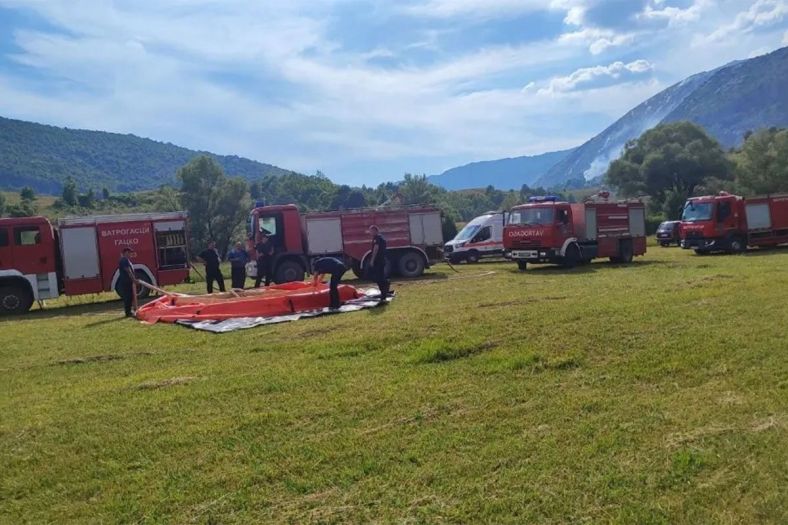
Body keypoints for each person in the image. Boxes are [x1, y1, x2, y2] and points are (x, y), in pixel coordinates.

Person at [368, 225, 389, 303]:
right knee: (380, 277)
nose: (370, 233)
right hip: (381, 260)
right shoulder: (380, 238)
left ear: (375, 230)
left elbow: (376, 249)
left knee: (379, 278)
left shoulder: (377, 238)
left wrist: (372, 260)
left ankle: (383, 295)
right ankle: (384, 290)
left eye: (371, 231)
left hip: (378, 261)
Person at [116, 247, 138, 317]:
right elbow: (128, 270)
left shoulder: (126, 260)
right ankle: (128, 312)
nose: (130, 254)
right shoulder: (124, 260)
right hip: (126, 281)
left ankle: (129, 311)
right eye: (129, 252)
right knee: (128, 297)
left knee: (130, 296)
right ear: (125, 252)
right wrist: (133, 279)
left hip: (128, 281)